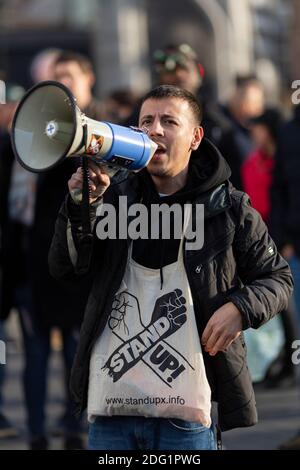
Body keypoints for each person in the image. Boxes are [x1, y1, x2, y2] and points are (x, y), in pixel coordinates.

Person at [48, 85, 293, 451]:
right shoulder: (113, 196)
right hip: (114, 410)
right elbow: (66, 268)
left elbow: (278, 279)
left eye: (169, 121)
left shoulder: (228, 208)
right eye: (146, 121)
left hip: (186, 416)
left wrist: (240, 309)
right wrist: (83, 205)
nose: (155, 130)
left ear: (195, 137)